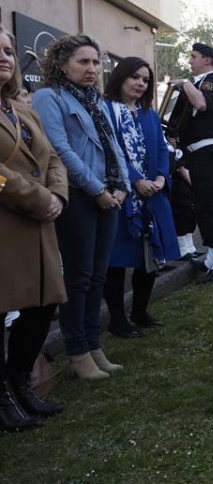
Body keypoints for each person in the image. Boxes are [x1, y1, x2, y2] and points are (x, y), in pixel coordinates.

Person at [32, 34, 129, 380]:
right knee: (79, 277)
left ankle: (93, 344)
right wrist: (98, 188)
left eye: (95, 62)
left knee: (97, 275)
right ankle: (77, 350)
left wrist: (122, 188)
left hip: (108, 196)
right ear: (61, 64)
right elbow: (58, 149)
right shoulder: (48, 97)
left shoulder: (95, 100)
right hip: (77, 196)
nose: (92, 69)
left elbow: (113, 147)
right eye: (83, 62)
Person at [0, 23, 66, 430]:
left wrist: (58, 195)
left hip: (38, 226)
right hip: (8, 224)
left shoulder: (21, 107)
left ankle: (21, 384)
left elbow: (53, 157)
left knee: (42, 307)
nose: (4, 57)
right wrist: (40, 199)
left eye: (8, 50)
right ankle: (2, 399)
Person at [101, 57, 181, 339]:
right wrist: (135, 179)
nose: (140, 83)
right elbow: (111, 151)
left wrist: (160, 177)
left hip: (153, 194)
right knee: (117, 260)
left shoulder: (149, 113)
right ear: (120, 77)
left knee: (149, 257)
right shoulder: (105, 110)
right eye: (134, 77)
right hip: (122, 196)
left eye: (145, 80)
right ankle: (117, 319)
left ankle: (140, 311)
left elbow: (161, 148)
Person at [168, 42, 213, 283]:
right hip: (199, 155)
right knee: (204, 207)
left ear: (207, 60)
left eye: (194, 56)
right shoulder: (197, 84)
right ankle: (212, 258)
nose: (190, 60)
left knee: (212, 206)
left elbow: (202, 103)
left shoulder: (212, 81)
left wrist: (184, 83)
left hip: (211, 154)